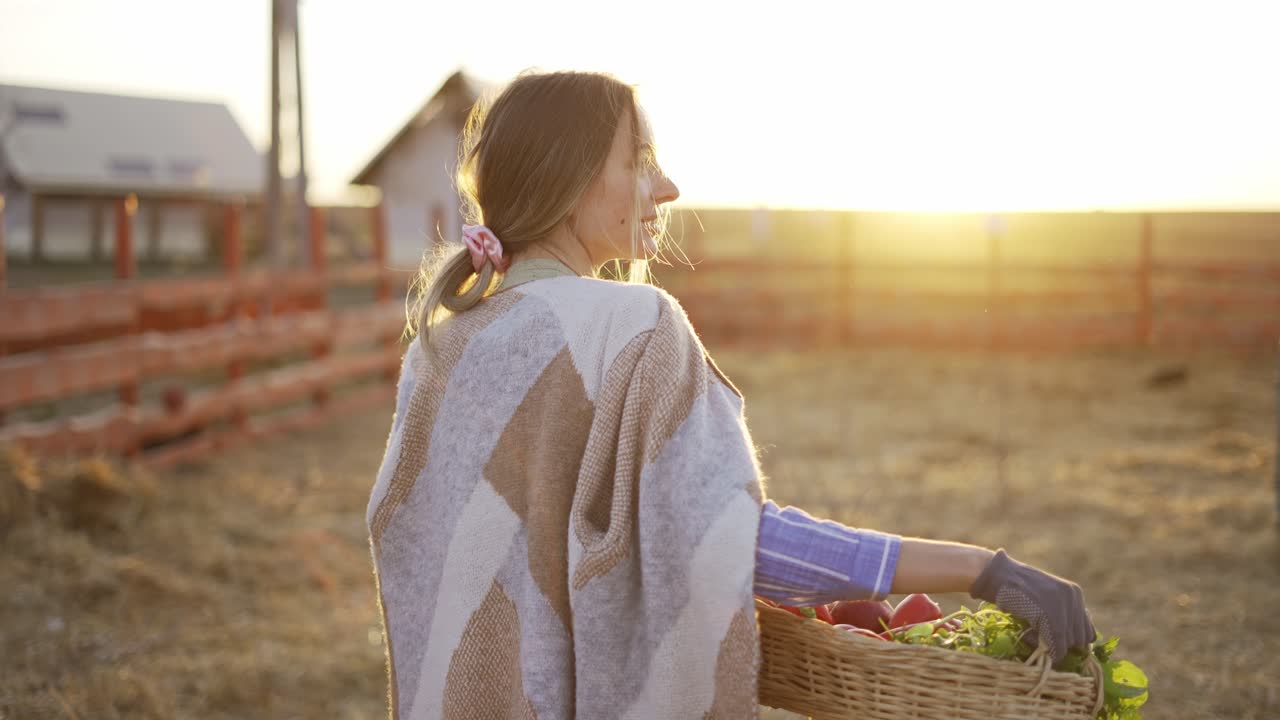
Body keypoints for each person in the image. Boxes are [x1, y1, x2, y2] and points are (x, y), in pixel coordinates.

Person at [365, 70, 1095, 720]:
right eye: (640, 162)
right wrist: (981, 568)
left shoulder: (443, 345)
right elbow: (734, 542)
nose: (669, 188)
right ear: (575, 177)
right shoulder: (630, 330)